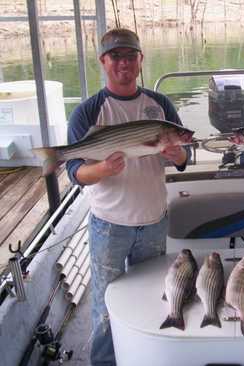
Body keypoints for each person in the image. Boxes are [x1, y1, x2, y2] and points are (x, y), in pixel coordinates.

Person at [66, 28, 189, 366]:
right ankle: (104, 362)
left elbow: (181, 160)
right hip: (109, 225)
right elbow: (75, 170)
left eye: (130, 56)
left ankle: (148, 357)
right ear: (103, 62)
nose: (124, 62)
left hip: (153, 220)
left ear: (140, 61)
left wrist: (176, 153)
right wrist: (102, 169)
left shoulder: (159, 104)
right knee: (105, 305)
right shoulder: (88, 112)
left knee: (153, 298)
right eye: (116, 56)